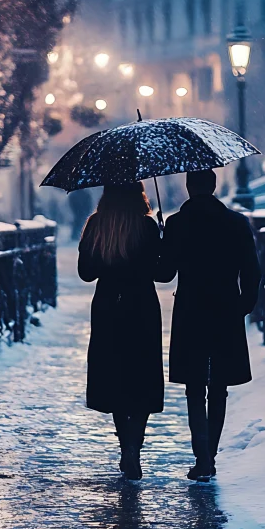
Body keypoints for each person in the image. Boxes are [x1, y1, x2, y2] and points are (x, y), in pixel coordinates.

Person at [156, 169, 259, 482]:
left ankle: (202, 456)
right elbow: (252, 272)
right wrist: (243, 306)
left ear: (189, 187)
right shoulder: (237, 223)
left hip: (191, 309)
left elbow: (164, 274)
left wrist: (163, 240)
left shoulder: (177, 223)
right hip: (226, 307)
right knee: (219, 386)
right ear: (213, 187)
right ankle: (210, 454)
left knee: (194, 386)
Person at [78, 182, 164, 480]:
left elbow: (86, 273)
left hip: (108, 308)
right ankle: (134, 447)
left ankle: (124, 444)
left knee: (114, 375)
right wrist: (161, 241)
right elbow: (164, 274)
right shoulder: (147, 226)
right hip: (141, 306)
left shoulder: (96, 224)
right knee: (141, 376)